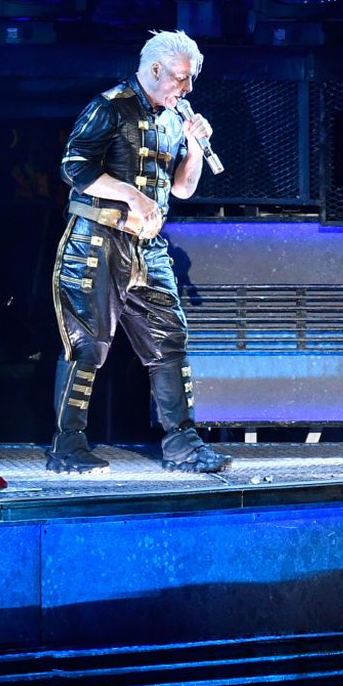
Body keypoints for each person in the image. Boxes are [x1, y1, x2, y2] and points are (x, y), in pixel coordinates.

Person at [49, 29, 231, 475]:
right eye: (181, 77)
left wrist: (193, 148)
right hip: (98, 241)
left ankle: (183, 445)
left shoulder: (172, 119)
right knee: (87, 344)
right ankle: (67, 447)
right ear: (155, 70)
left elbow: (183, 189)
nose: (187, 88)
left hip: (148, 247)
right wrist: (132, 195)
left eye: (191, 79)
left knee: (169, 340)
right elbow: (74, 167)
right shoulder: (110, 106)